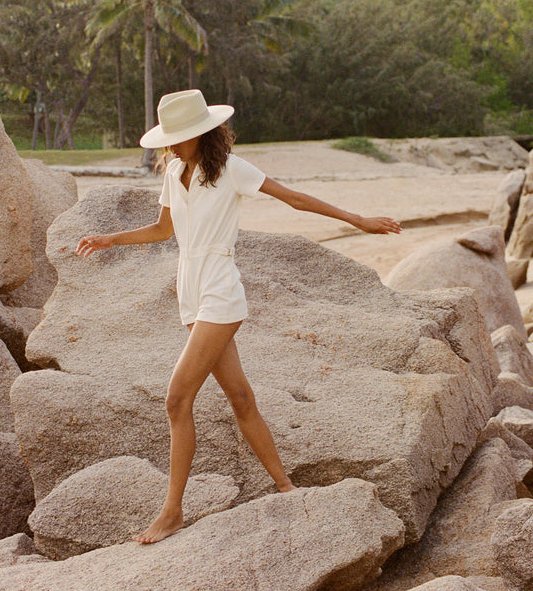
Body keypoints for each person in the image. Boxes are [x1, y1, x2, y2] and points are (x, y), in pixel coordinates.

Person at [76, 90, 401, 544]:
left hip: (220, 289)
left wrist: (358, 219)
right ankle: (287, 487)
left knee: (176, 398)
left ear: (200, 133)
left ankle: (172, 512)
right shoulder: (173, 170)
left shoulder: (231, 170)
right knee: (241, 397)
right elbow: (163, 229)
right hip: (188, 287)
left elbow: (294, 199)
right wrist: (112, 239)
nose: (170, 147)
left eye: (178, 138)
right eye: (168, 139)